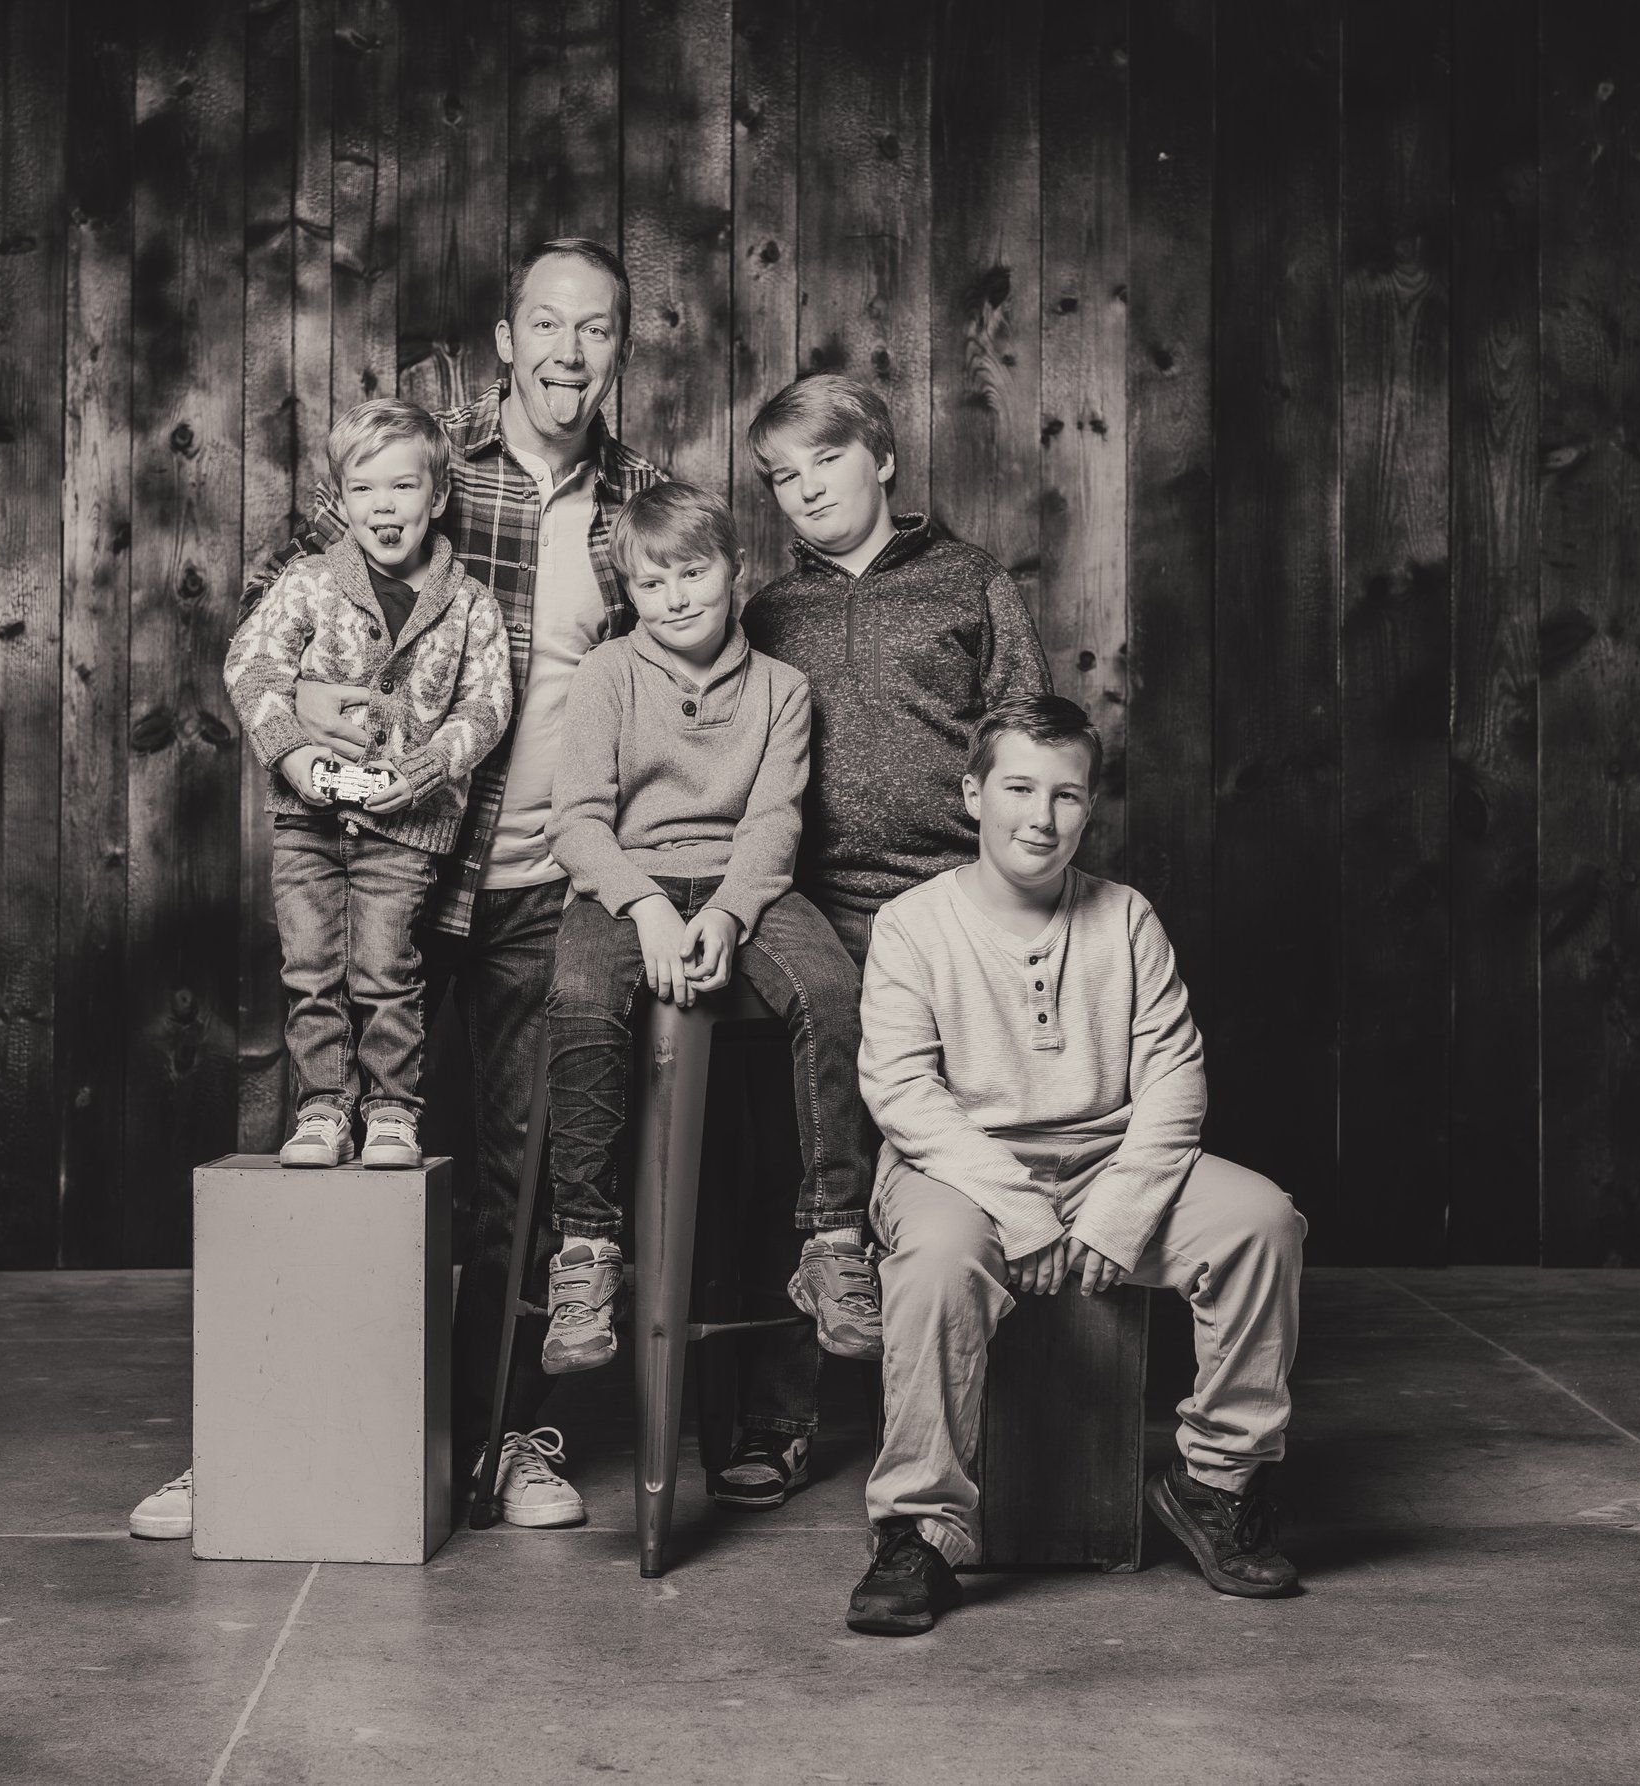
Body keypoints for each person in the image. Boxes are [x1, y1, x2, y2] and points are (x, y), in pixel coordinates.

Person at [133, 238, 666, 1542]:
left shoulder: (641, 508)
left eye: (595, 329)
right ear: (504, 340)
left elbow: (682, 690)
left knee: (513, 1181)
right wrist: (331, 743)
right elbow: (284, 619)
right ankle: (254, 1431)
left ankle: (505, 1434)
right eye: (546, 323)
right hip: (394, 863)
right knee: (328, 1136)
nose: (568, 350)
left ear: (620, 354)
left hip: (547, 890)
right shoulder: (434, 478)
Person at [843, 694, 1305, 1635]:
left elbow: (1175, 1080)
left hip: (1108, 1164)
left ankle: (1213, 1482)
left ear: (1089, 808)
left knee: (1264, 1222)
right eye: (1018, 788)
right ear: (973, 795)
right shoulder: (911, 925)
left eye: (1066, 795)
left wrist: (1114, 1215)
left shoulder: (1125, 918)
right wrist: (1021, 1210)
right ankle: (917, 1533)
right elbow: (902, 1094)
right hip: (958, 1169)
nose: (1040, 817)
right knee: (934, 1263)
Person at [708, 373, 1054, 1509]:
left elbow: (1026, 741)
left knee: (963, 1152)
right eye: (782, 478)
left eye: (825, 463)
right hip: (809, 910)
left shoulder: (968, 581)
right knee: (800, 1162)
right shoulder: (766, 610)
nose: (805, 492)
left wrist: (1009, 899)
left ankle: (991, 1408)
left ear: (882, 458)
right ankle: (778, 1410)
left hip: (949, 904)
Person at [537, 482, 880, 1377]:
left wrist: (728, 910)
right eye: (653, 585)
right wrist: (645, 905)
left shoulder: (782, 689)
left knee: (836, 992)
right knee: (578, 999)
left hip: (745, 883)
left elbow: (774, 824)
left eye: (694, 573)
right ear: (630, 594)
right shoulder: (609, 674)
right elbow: (575, 822)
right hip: (627, 881)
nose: (677, 597)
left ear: (735, 571)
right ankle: (585, 1251)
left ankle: (834, 1240)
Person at [222, 398, 511, 1171]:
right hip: (306, 823)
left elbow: (487, 709)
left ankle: (391, 1111)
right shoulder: (309, 584)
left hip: (404, 829)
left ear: (438, 496)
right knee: (310, 970)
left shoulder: (471, 605)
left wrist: (422, 770)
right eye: (364, 490)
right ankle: (323, 1106)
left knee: (387, 970)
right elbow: (251, 667)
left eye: (404, 488)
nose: (384, 507)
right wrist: (289, 753)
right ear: (342, 501)